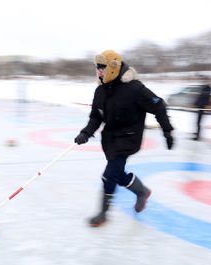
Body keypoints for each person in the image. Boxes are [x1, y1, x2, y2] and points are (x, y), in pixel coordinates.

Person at [74, 50, 175, 227]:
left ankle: (103, 214)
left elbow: (159, 106)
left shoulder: (135, 89)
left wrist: (167, 131)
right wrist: (86, 133)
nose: (99, 72)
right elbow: (96, 117)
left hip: (128, 139)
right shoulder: (100, 91)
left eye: (102, 68)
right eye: (97, 68)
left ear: (113, 67)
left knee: (108, 175)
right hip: (110, 140)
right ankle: (141, 191)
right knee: (117, 174)